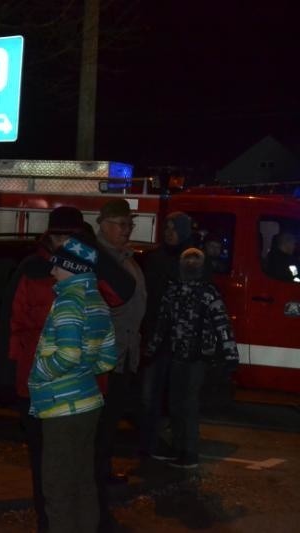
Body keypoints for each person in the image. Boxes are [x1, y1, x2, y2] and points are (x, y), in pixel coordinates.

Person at [29, 237, 117, 533]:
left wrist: (40, 372)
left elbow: (67, 354)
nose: (52, 270)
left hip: (61, 407)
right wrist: (82, 374)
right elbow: (107, 359)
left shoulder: (68, 301)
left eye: (57, 264)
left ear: (71, 268)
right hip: (89, 402)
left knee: (57, 486)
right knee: (83, 482)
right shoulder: (98, 301)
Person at [145, 248, 239, 468]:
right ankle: (179, 449)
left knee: (188, 404)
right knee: (177, 404)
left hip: (197, 358)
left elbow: (222, 325)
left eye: (195, 262)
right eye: (188, 261)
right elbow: (162, 325)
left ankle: (189, 453)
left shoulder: (207, 293)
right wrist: (150, 351)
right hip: (178, 356)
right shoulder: (175, 290)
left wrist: (230, 355)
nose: (191, 266)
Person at [93, 199, 148, 530]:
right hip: (105, 354)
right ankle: (95, 476)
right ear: (102, 224)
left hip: (125, 352)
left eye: (129, 225)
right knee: (101, 421)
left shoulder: (128, 259)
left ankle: (103, 469)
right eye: (120, 224)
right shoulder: (99, 259)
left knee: (112, 419)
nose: (126, 230)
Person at [140, 211, 197, 459]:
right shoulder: (154, 258)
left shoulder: (193, 260)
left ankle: (176, 446)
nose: (169, 233)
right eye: (167, 228)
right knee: (148, 396)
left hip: (181, 341)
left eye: (174, 228)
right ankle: (148, 444)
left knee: (177, 399)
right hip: (156, 337)